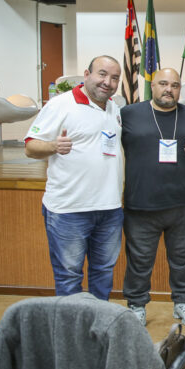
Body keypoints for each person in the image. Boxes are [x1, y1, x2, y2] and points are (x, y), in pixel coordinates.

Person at [121, 68, 185, 326]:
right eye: (163, 84)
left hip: (183, 205)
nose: (169, 89)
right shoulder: (129, 114)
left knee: (183, 258)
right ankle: (137, 305)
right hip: (141, 205)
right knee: (139, 260)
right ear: (152, 86)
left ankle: (183, 302)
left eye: (174, 85)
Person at [24, 55, 123, 300]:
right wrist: (53, 147)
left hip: (109, 209)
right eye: (102, 74)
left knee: (103, 273)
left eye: (114, 78)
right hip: (69, 211)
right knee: (69, 277)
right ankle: (72, 336)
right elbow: (30, 146)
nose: (107, 82)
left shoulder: (114, 108)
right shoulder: (61, 105)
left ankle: (97, 330)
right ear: (87, 74)